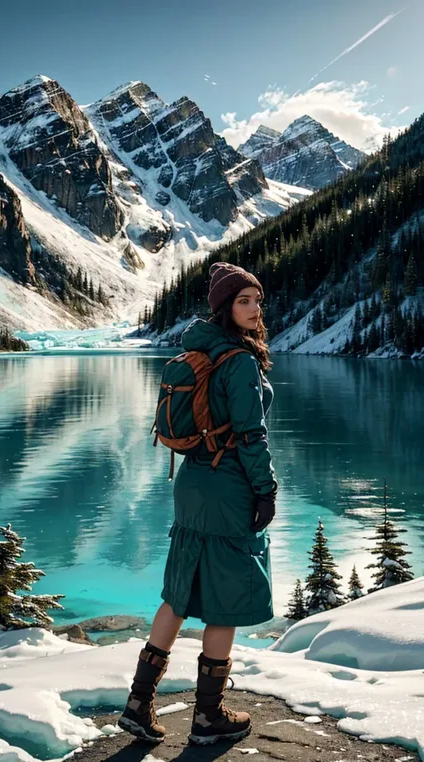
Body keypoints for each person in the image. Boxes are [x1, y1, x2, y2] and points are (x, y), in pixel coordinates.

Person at [118, 262, 278, 746]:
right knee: (225, 598)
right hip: (227, 486)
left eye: (257, 301)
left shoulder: (199, 348)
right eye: (243, 301)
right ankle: (208, 716)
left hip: (191, 482)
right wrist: (265, 489)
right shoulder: (240, 360)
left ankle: (137, 704)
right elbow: (251, 434)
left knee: (179, 593)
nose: (253, 309)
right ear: (225, 308)